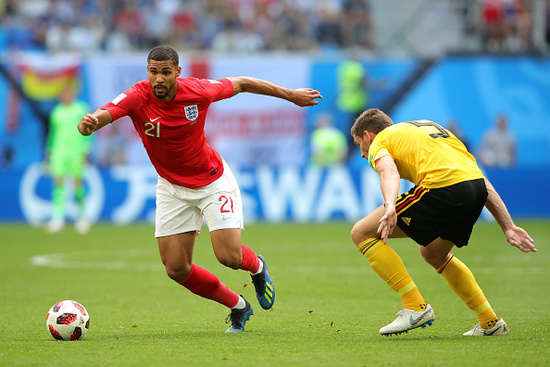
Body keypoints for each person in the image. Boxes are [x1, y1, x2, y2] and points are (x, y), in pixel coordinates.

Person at [78, 45, 322, 332]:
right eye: (153, 72)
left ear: (177, 73)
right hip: (171, 187)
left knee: (229, 257)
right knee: (176, 269)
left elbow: (242, 83)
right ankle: (238, 306)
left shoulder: (198, 91)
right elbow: (108, 110)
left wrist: (291, 95)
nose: (158, 79)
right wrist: (91, 123)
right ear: (148, 72)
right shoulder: (137, 95)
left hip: (212, 181)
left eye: (165, 72)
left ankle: (257, 267)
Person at [349, 108, 536, 336]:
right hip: (475, 191)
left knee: (361, 232)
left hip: (442, 188)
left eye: (360, 144)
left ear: (368, 135)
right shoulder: (430, 127)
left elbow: (388, 171)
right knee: (433, 254)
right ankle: (490, 322)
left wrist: (390, 205)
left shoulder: (381, 140)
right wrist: (508, 226)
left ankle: (415, 306)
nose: (361, 153)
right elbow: (479, 179)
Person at [46, 86, 92, 234]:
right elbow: (52, 133)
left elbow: (90, 130)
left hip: (76, 151)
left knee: (77, 184)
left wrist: (87, 150)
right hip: (59, 152)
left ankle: (82, 217)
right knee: (58, 183)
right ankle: (58, 218)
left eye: (68, 92)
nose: (65, 95)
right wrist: (49, 152)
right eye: (63, 93)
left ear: (72, 93)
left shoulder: (81, 109)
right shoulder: (56, 112)